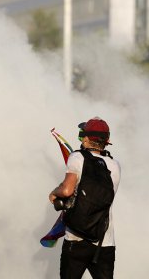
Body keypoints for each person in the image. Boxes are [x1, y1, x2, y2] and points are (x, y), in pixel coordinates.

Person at [49, 117, 121, 279]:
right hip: (105, 242)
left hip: (76, 239)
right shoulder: (115, 165)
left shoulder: (77, 158)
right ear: (107, 140)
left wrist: (54, 193)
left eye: (82, 135)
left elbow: (67, 190)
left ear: (87, 138)